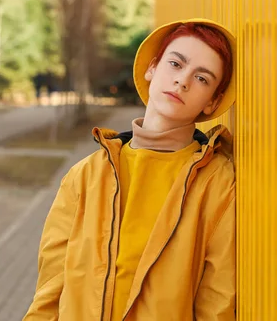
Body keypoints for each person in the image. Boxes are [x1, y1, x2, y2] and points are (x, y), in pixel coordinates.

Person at [23, 19, 237, 321]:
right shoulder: (84, 176)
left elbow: (217, 302)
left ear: (212, 101)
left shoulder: (216, 183)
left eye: (202, 79)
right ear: (152, 68)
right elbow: (50, 290)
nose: (183, 81)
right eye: (176, 64)